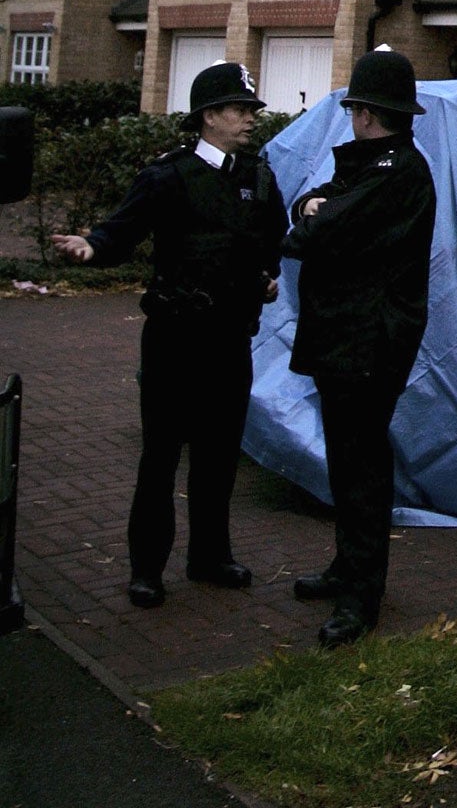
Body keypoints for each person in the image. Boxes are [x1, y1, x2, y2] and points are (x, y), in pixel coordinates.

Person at [52, 60, 285, 608]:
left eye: (252, 110)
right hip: (176, 338)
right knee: (160, 457)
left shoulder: (257, 176)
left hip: (230, 338)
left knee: (218, 453)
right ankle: (147, 569)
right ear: (208, 117)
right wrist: (94, 245)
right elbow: (123, 226)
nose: (250, 118)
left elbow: (271, 236)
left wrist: (268, 276)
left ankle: (209, 556)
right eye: (239, 109)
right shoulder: (169, 174)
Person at [283, 46, 436, 648]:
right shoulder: (374, 166)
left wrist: (315, 213)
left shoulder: (395, 172)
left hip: (368, 344)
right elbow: (314, 203)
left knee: (363, 467)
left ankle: (361, 595)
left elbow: (318, 232)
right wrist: (312, 205)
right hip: (349, 339)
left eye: (353, 108)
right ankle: (348, 568)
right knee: (348, 462)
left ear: (365, 112)